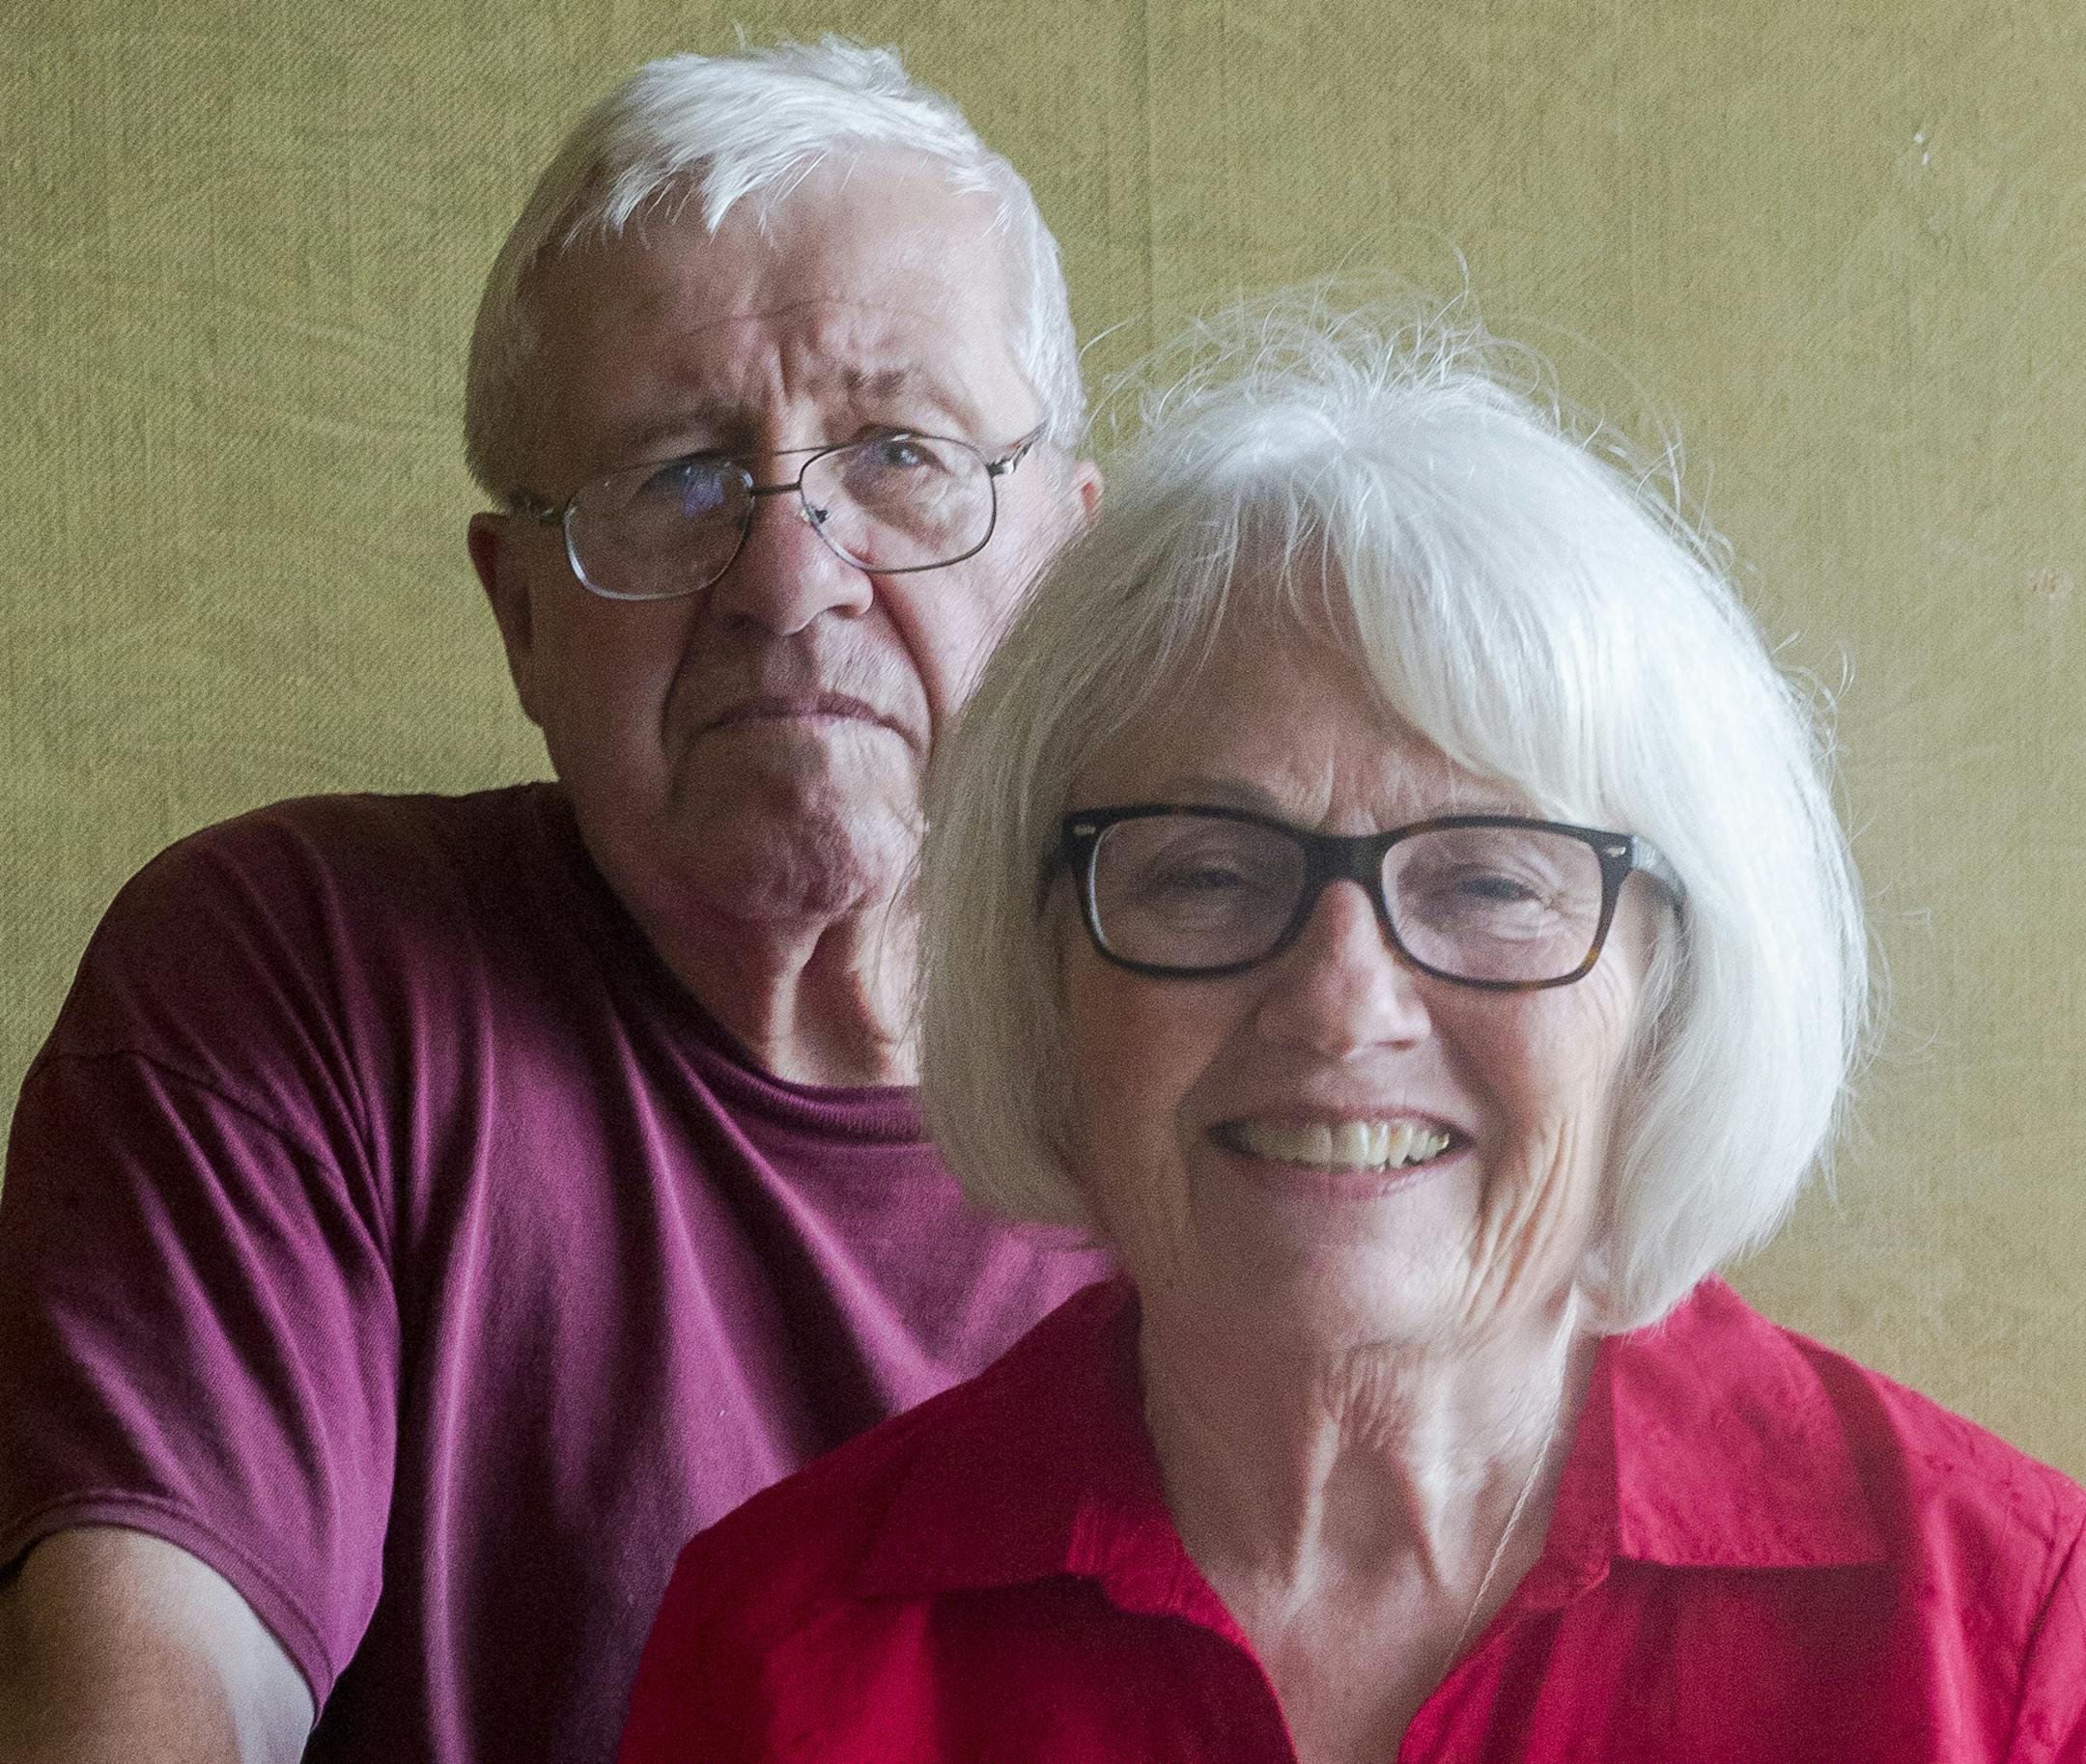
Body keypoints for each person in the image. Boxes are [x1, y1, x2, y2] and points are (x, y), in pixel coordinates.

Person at [617, 303, 2086, 1762]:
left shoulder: (2001, 1645)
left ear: (1672, 984)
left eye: (1491, 881)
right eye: (1204, 871)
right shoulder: (787, 1657)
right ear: (1043, 959)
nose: (1340, 1001)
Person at [0, 40, 1105, 1764]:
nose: (790, 579)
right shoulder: (299, 974)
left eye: (900, 454)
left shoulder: (1251, 1057)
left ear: (1065, 561)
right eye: (676, 476)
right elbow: (150, 1693)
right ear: (519, 618)